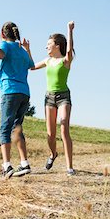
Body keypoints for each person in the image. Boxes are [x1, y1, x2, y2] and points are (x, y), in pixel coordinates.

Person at [0, 22, 35, 179]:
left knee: (5, 128)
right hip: (25, 93)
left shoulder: (6, 45)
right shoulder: (22, 50)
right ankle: (24, 163)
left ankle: (7, 166)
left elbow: (0, 54)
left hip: (10, 91)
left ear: (3, 35)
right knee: (17, 128)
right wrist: (28, 49)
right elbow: (31, 65)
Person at [30, 21, 76, 176]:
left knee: (64, 128)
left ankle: (69, 167)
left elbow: (69, 51)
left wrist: (69, 31)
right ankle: (53, 154)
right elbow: (31, 66)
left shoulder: (65, 61)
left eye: (49, 44)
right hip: (49, 98)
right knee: (50, 134)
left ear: (57, 45)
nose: (46, 47)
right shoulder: (47, 60)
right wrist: (27, 50)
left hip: (63, 96)